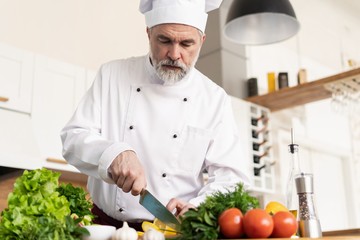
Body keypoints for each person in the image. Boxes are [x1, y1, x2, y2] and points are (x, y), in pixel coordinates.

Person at [61, 0, 250, 231]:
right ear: (149, 33)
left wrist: (199, 207)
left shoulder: (214, 99)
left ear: (201, 41)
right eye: (164, 40)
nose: (174, 54)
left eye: (186, 43)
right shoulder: (112, 75)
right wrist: (113, 153)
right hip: (106, 228)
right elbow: (73, 138)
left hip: (174, 230)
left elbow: (232, 178)